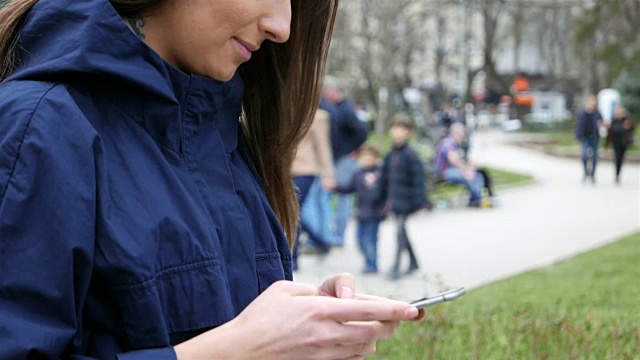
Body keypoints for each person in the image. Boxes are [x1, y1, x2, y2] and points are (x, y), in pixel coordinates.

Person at [0, 1, 423, 358]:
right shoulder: (39, 127)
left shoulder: (221, 138)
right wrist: (238, 348)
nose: (282, 27)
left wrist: (302, 332)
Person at [376, 118, 429, 280]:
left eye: (400, 129)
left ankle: (396, 266)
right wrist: (379, 197)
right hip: (394, 200)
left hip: (407, 202)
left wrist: (421, 202)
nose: (396, 132)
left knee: (399, 231)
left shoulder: (410, 154)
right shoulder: (390, 154)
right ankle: (413, 261)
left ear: (408, 133)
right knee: (402, 232)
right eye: (394, 128)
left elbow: (419, 179)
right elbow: (384, 178)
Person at [321, 78, 369, 247]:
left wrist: (349, 149)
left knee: (343, 197)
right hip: (340, 157)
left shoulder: (345, 109)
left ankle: (338, 235)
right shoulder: (339, 108)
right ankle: (333, 234)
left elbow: (361, 131)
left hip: (344, 158)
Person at [291, 109, 335, 269]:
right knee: (290, 212)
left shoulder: (318, 116)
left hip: (305, 170)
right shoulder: (282, 109)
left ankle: (293, 257)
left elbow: (322, 145)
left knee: (293, 211)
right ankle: (319, 241)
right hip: (283, 170)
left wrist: (328, 175)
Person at [334, 144, 386, 274]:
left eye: (370, 156)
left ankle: (372, 264)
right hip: (361, 213)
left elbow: (384, 192)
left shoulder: (380, 173)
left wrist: (374, 183)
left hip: (374, 213)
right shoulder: (358, 174)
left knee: (371, 240)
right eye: (364, 157)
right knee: (360, 240)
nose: (367, 159)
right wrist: (334, 187)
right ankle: (368, 259)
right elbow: (349, 188)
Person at [435, 123, 486, 207]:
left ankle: (475, 199)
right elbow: (454, 160)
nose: (463, 139)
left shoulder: (453, 144)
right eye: (462, 136)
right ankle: (478, 200)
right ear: (456, 134)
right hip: (446, 173)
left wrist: (469, 168)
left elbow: (458, 161)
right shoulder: (448, 143)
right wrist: (466, 170)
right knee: (469, 176)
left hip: (452, 171)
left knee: (478, 176)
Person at [575, 95, 604, 184]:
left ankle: (592, 175)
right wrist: (577, 136)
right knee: (584, 156)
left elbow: (601, 123)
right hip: (585, 137)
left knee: (595, 157)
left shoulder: (598, 113)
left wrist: (601, 127)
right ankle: (586, 172)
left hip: (595, 136)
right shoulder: (583, 112)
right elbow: (578, 125)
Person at [605, 106, 636, 184]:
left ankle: (618, 173)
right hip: (616, 143)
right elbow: (609, 134)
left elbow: (632, 127)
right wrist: (606, 145)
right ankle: (617, 174)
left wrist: (627, 126)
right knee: (617, 158)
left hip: (624, 144)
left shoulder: (626, 121)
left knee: (621, 158)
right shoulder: (613, 122)